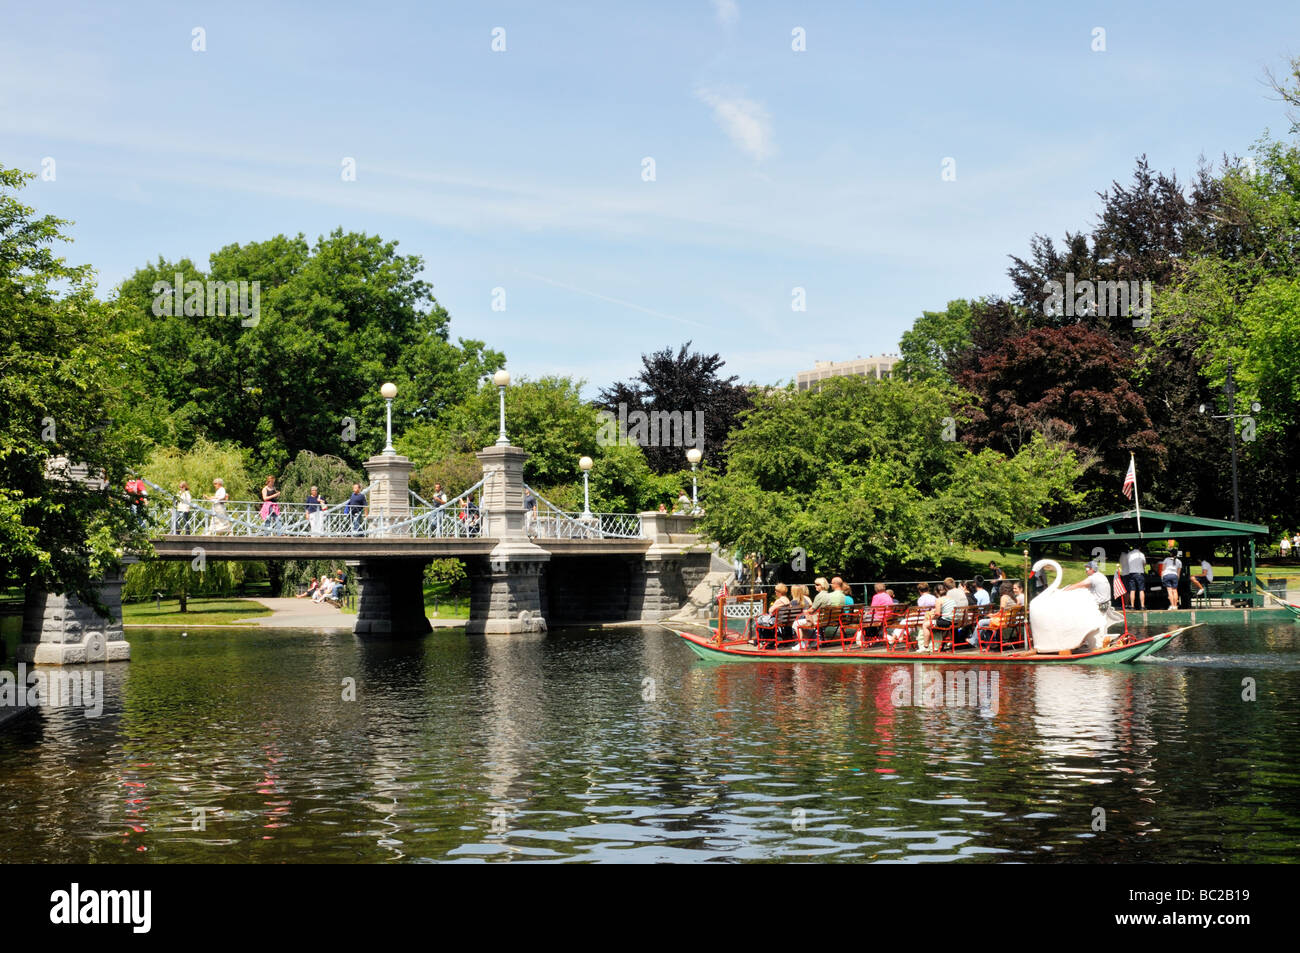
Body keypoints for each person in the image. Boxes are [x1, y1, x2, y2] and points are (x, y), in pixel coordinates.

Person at [917, 583, 956, 652]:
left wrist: (930, 618)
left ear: (936, 592)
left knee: (925, 625)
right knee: (931, 623)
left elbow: (937, 614)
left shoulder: (939, 600)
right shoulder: (951, 599)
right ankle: (936, 645)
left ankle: (925, 647)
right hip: (952, 621)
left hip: (945, 621)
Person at [1121, 544, 1147, 610]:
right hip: (1139, 573)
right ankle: (1142, 606)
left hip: (1131, 573)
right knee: (1141, 590)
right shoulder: (1141, 554)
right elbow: (1144, 563)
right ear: (1139, 547)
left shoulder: (1129, 554)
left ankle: (1132, 606)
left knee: (1132, 590)